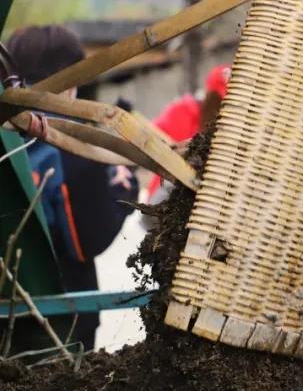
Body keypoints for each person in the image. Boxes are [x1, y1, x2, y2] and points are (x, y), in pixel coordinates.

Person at [7, 25, 138, 351]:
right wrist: (127, 188)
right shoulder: (69, 142)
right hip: (63, 316)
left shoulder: (8, 131)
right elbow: (89, 238)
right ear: (71, 84)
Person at [145, 64, 230, 199]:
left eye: (228, 105)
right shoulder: (182, 110)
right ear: (209, 95)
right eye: (218, 100)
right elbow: (145, 137)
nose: (221, 108)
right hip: (162, 197)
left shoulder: (228, 134)